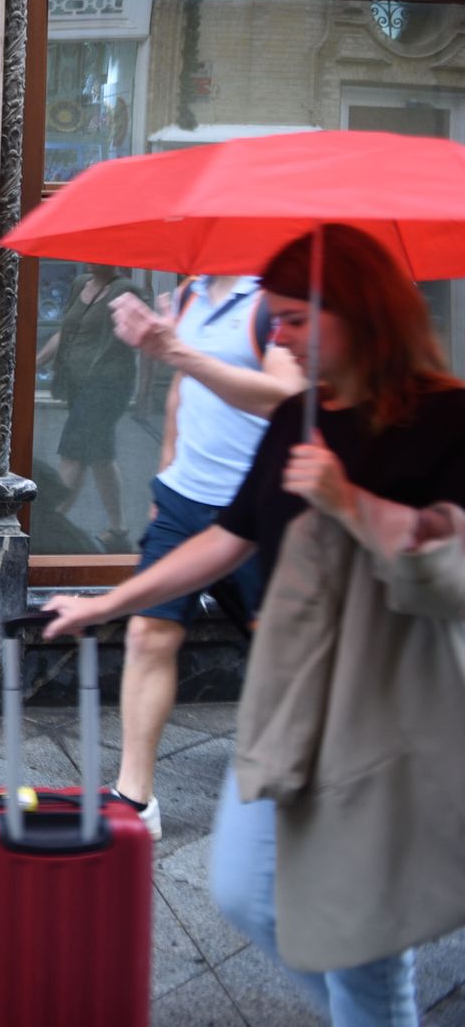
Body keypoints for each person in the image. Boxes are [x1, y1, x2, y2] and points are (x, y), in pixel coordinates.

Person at [43, 224, 465, 1026]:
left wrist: (352, 503)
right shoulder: (298, 418)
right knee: (246, 892)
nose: (280, 336)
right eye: (273, 319)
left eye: (299, 319)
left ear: (362, 311)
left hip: (390, 704)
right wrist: (104, 604)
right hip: (293, 694)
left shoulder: (446, 418)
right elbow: (226, 539)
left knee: (359, 932)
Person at [102, 276, 303, 839]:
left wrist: (174, 349)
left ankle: (315, 775)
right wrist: (166, 476)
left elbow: (286, 397)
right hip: (183, 501)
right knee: (149, 635)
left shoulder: (271, 299)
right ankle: (134, 797)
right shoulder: (192, 293)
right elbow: (181, 391)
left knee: (282, 654)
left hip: (255, 511)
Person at [35, 264, 143, 552]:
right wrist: (35, 362)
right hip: (78, 386)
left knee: (74, 450)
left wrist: (145, 391)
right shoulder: (80, 284)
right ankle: (118, 531)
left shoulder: (126, 292)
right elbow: (66, 331)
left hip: (107, 387)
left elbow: (143, 337)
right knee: (100, 456)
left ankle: (51, 525)